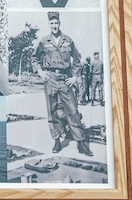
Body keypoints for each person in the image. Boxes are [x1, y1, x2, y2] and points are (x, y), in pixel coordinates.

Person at [31, 12, 93, 156]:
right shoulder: (44, 41)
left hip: (65, 78)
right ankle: (57, 141)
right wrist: (40, 71)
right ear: (49, 25)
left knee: (72, 110)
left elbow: (77, 60)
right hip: (50, 78)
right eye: (52, 23)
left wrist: (75, 77)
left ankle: (81, 143)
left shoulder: (68, 40)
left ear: (59, 24)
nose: (54, 26)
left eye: (56, 23)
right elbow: (34, 57)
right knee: (52, 112)